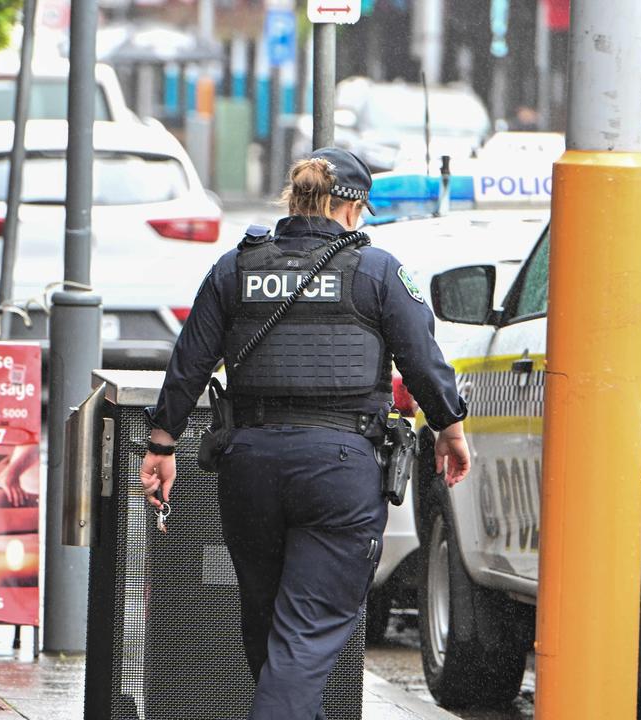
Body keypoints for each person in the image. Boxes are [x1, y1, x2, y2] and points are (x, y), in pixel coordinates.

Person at [139, 148, 472, 720]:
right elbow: (423, 360)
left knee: (270, 633)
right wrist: (449, 428)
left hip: (249, 466)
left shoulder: (235, 268)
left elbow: (188, 362)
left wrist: (162, 444)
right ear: (350, 210)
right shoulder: (377, 271)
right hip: (338, 470)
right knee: (302, 638)